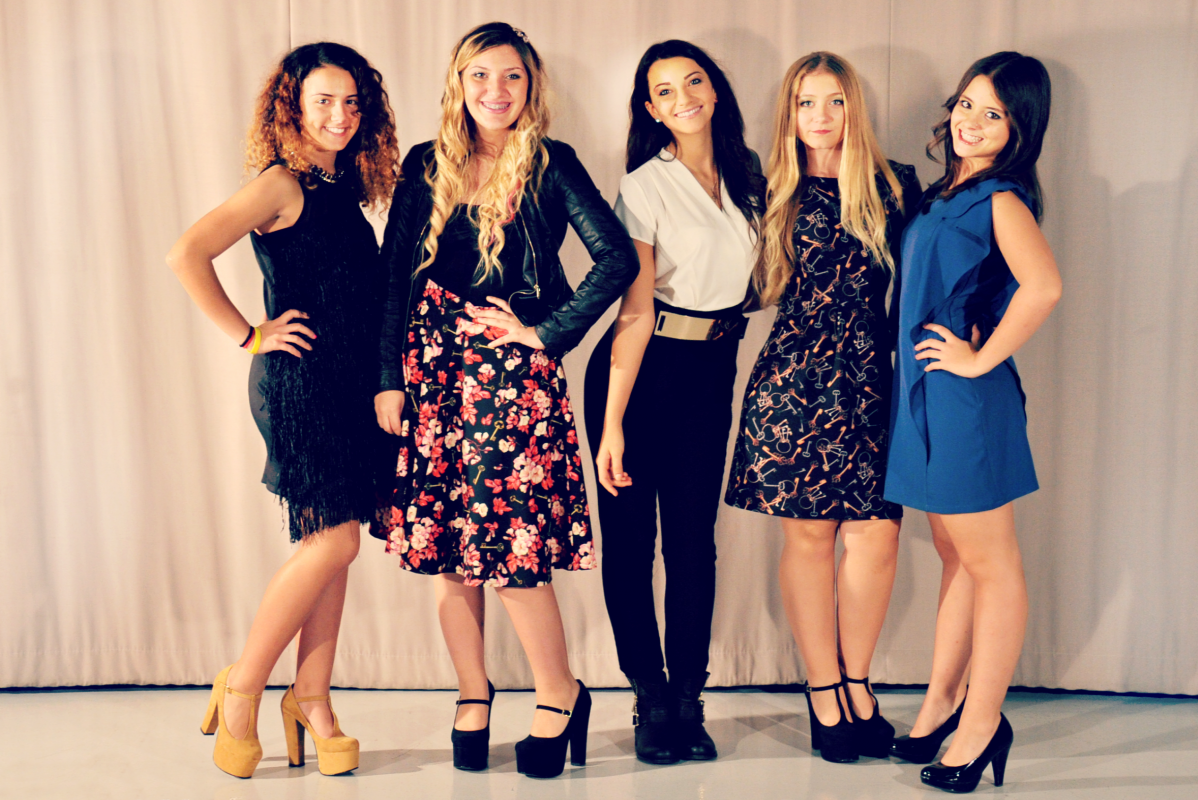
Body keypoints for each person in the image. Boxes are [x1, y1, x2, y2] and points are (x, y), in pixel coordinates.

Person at [372, 22, 638, 779]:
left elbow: (616, 258)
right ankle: (472, 692)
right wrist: (387, 377)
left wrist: (545, 333)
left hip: (512, 382)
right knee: (448, 549)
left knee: (513, 548)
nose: (496, 91)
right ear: (458, 84)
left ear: (531, 86)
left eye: (512, 76)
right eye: (481, 76)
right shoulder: (426, 164)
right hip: (432, 372)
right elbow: (394, 276)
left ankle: (559, 694)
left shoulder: (553, 164)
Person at [166, 43, 399, 778]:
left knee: (334, 544)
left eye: (352, 102)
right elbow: (186, 253)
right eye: (323, 100)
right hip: (300, 387)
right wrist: (249, 334)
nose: (340, 115)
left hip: (348, 386)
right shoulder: (280, 183)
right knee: (334, 542)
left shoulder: (340, 184)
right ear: (292, 107)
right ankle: (242, 687)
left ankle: (313, 698)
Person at [724, 52, 920, 764]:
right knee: (809, 538)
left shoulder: (894, 184)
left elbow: (920, 280)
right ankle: (823, 690)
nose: (820, 116)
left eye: (834, 101)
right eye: (806, 102)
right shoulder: (766, 187)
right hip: (794, 379)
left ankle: (857, 682)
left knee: (876, 536)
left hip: (869, 377)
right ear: (789, 112)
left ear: (853, 107)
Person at [583, 39, 764, 764]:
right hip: (641, 370)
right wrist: (611, 424)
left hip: (712, 368)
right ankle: (650, 698)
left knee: (693, 544)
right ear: (651, 110)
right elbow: (633, 309)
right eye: (664, 91)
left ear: (715, 91)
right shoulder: (643, 186)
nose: (682, 98)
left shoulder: (751, 178)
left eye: (693, 82)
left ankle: (689, 697)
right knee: (632, 545)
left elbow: (757, 281)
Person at [883, 52, 1059, 793]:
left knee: (993, 566)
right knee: (956, 557)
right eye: (967, 105)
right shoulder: (940, 196)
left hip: (966, 402)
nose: (973, 122)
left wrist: (980, 359)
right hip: (927, 396)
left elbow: (1044, 286)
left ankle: (983, 724)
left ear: (1019, 129)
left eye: (995, 114)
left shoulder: (1000, 199)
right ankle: (940, 707)